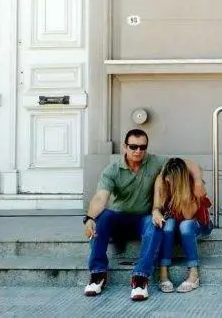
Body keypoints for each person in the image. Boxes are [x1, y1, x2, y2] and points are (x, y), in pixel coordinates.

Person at [82, 129, 202, 301]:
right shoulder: (112, 170)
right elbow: (101, 197)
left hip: (143, 220)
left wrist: (197, 182)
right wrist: (90, 218)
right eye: (133, 146)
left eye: (142, 147)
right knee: (103, 217)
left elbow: (187, 164)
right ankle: (98, 273)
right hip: (119, 219)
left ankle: (140, 278)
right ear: (125, 146)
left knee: (155, 223)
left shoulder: (154, 162)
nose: (138, 151)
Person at [152, 157, 213, 293]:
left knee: (185, 225)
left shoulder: (195, 186)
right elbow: (156, 206)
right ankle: (163, 273)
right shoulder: (162, 180)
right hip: (175, 224)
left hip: (198, 224)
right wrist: (156, 213)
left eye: (171, 178)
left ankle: (194, 273)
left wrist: (179, 192)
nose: (167, 180)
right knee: (168, 225)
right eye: (166, 176)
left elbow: (187, 215)